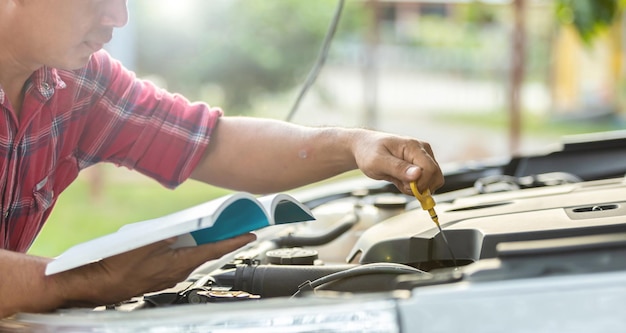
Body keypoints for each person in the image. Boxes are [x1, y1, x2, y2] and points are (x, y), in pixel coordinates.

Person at [0, 0, 444, 318]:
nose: (119, 16)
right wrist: (86, 283)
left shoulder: (78, 82)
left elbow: (212, 142)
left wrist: (352, 145)